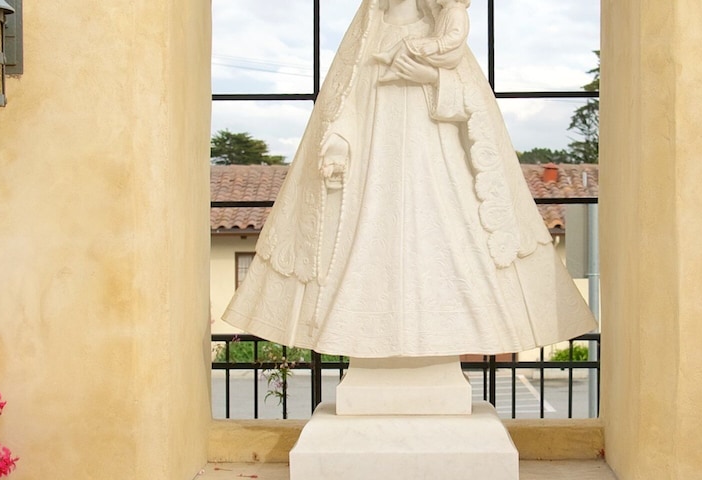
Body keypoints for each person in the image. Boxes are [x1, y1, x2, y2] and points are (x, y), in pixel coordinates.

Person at [222, 0, 595, 358]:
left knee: (441, 244)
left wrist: (432, 78)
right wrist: (337, 142)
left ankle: (440, 332)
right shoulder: (367, 40)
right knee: (370, 243)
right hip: (374, 172)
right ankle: (365, 331)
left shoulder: (438, 36)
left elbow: (475, 108)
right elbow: (343, 105)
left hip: (432, 167)